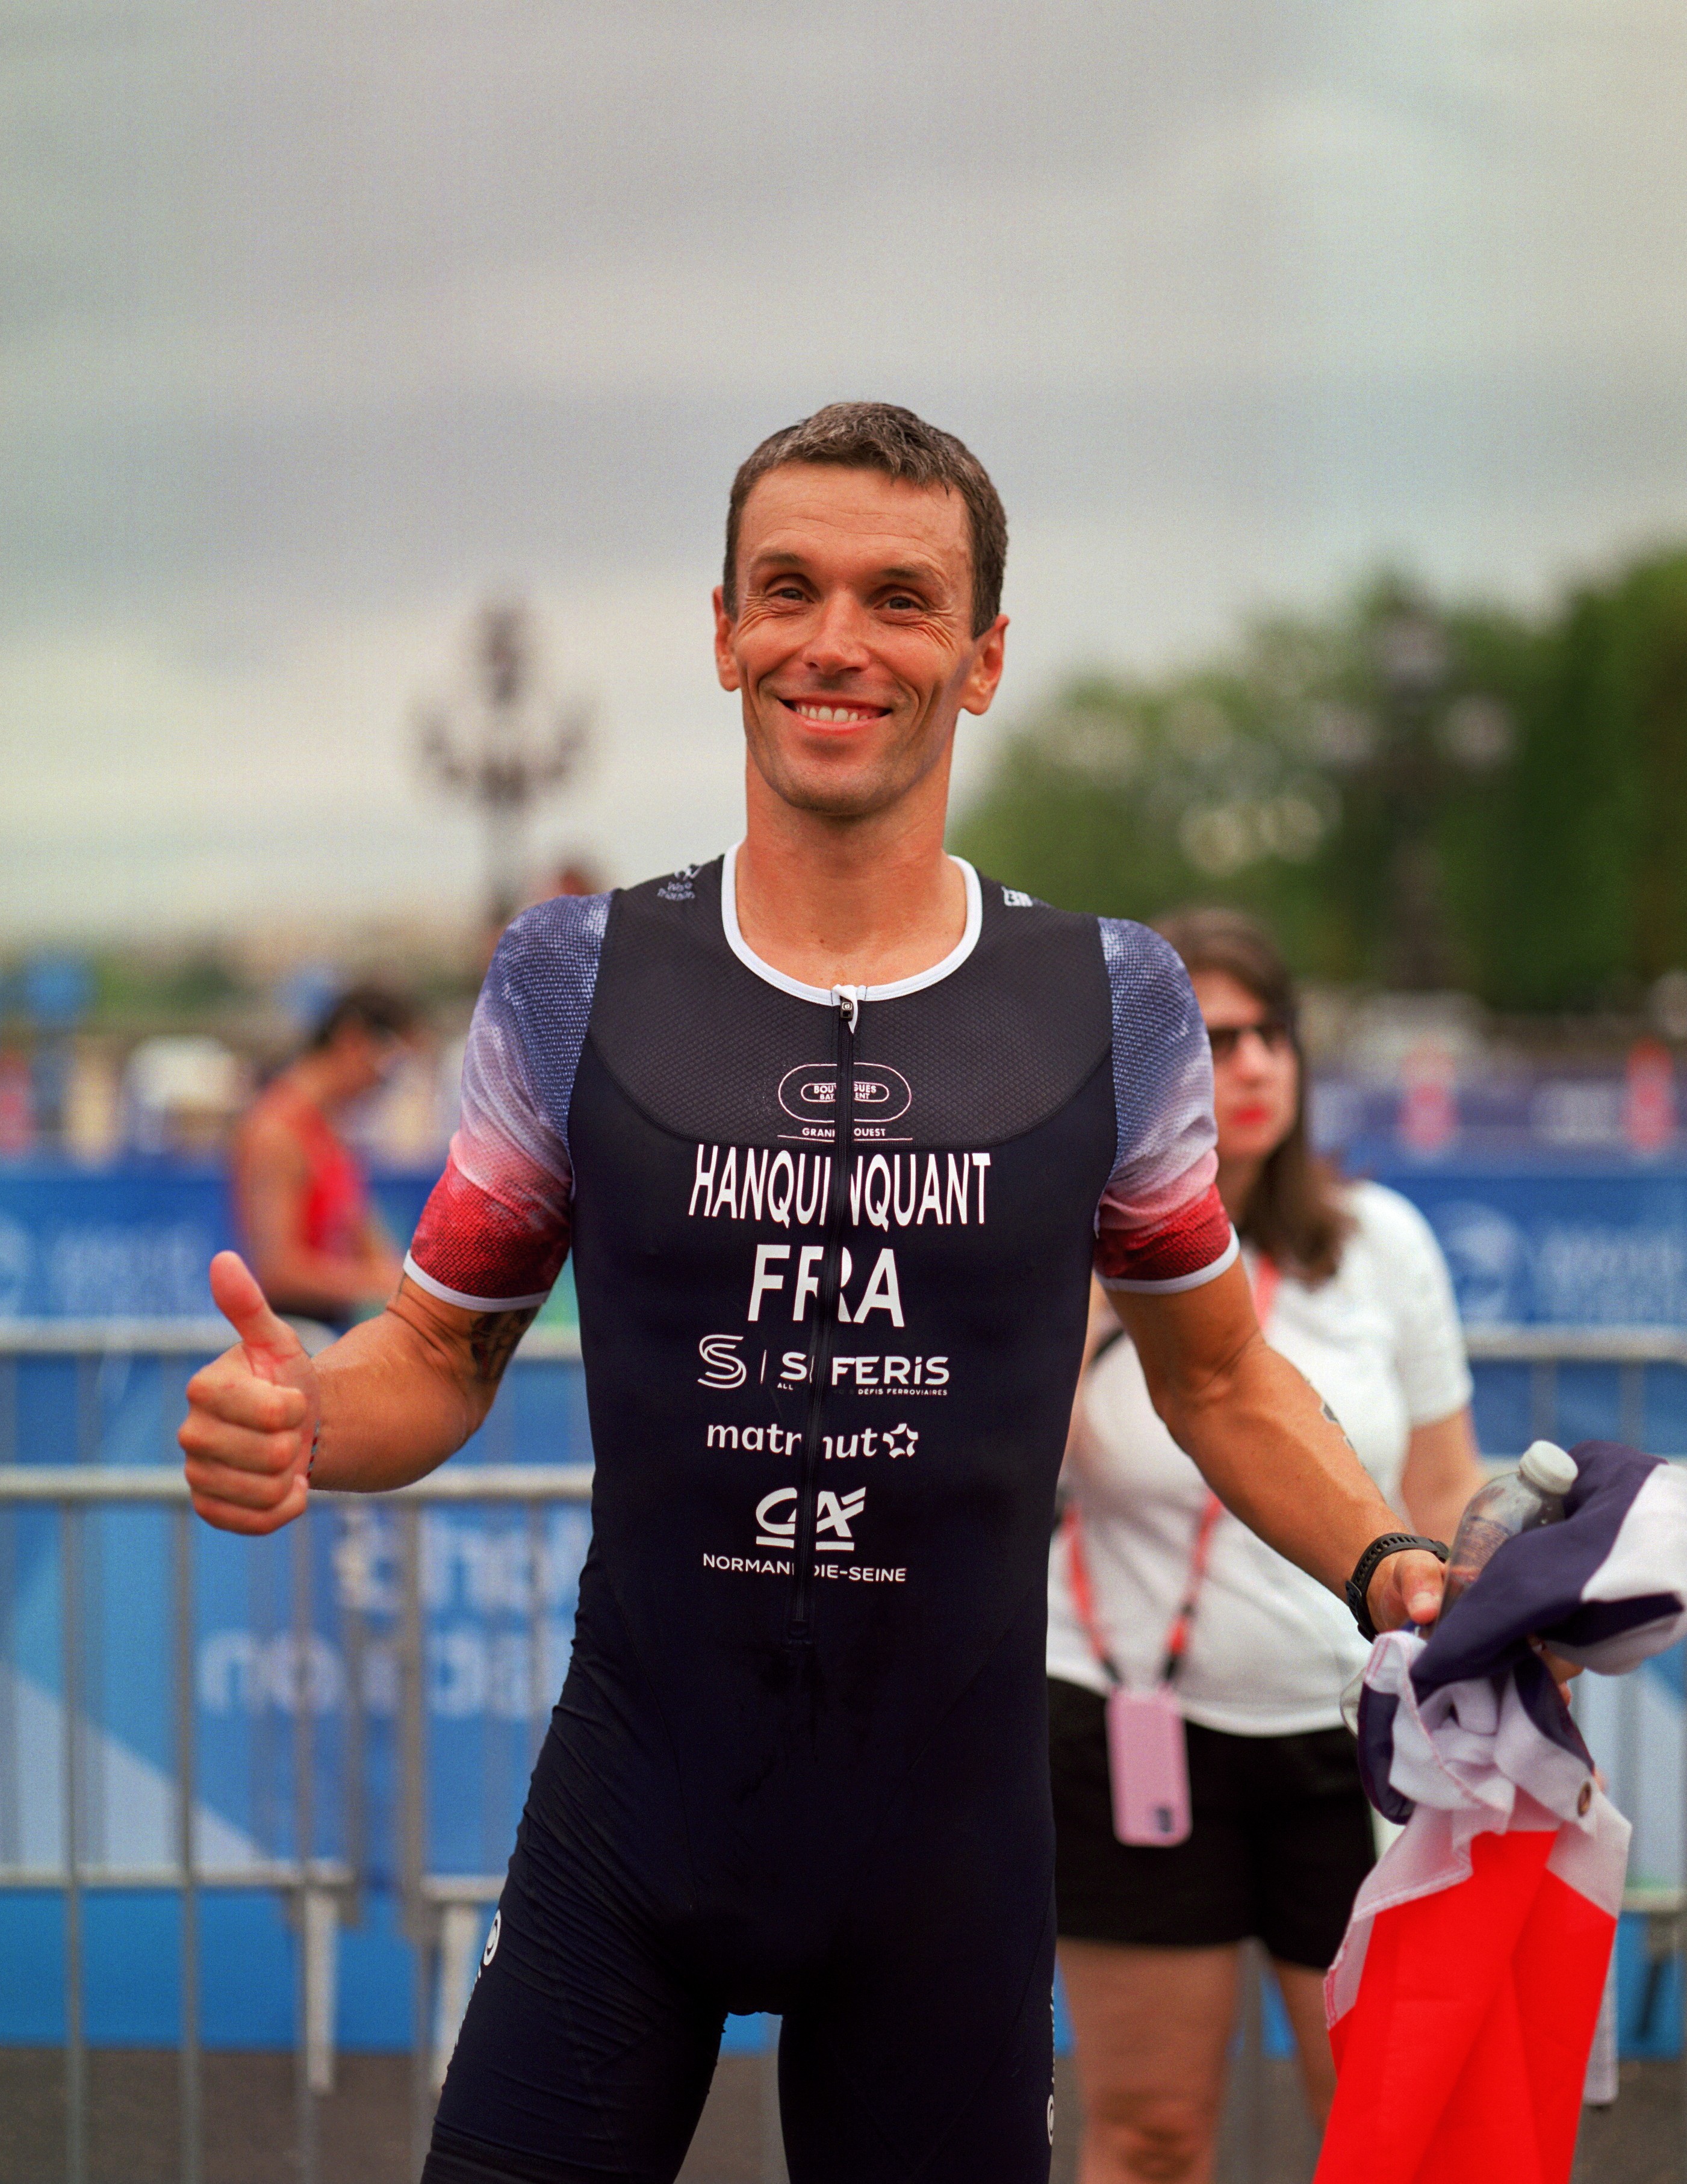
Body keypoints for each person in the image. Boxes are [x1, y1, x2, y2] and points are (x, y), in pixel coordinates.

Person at [178, 403, 1452, 2184]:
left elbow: (1223, 1379)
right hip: (632, 1824)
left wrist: (1392, 1569)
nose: (834, 640)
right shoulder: (573, 975)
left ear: (982, 657)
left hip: (946, 1865)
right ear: (724, 632)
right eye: (788, 590)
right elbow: (443, 1351)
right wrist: (308, 1413)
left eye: (899, 598)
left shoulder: (1114, 1001)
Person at [1048, 907, 1484, 2184]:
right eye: (1209, 1038)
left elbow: (1442, 1479)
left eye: (1269, 1034)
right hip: (1122, 1725)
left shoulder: (1380, 1240)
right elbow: (1012, 1461)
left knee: (1391, 2129)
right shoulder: (1073, 1241)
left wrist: (1478, 1619)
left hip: (1355, 1737)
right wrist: (1099, 1276)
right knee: (1151, 2130)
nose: (1248, 1065)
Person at [229, 984, 414, 1336]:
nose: (384, 1085)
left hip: (330, 1335)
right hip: (295, 1341)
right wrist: (378, 1284)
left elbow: (369, 1242)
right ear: (353, 1040)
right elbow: (278, 1271)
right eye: (389, 1067)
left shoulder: (331, 1131)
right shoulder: (275, 1131)